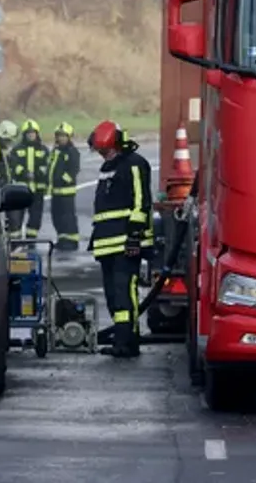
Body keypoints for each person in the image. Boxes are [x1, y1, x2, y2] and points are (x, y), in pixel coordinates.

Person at [88, 120, 153, 358]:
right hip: (106, 243)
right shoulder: (108, 168)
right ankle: (120, 340)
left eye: (107, 150)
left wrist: (134, 237)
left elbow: (140, 202)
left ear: (118, 144)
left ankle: (128, 342)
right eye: (101, 152)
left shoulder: (135, 165)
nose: (104, 155)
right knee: (112, 294)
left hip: (127, 243)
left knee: (125, 292)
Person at [8, 119, 50, 240]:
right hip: (21, 190)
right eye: (28, 133)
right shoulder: (16, 150)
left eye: (33, 133)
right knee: (16, 217)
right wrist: (25, 173)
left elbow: (46, 166)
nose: (31, 135)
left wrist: (36, 173)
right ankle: (15, 240)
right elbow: (13, 166)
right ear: (24, 135)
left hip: (38, 190)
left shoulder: (43, 150)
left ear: (37, 134)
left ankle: (31, 240)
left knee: (36, 217)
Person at [48, 121, 81, 251]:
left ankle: (72, 241)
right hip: (55, 191)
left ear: (69, 137)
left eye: (63, 136)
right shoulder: (56, 151)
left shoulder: (72, 152)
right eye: (59, 135)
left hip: (66, 192)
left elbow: (73, 171)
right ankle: (62, 239)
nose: (60, 138)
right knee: (56, 216)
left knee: (68, 217)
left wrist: (61, 179)